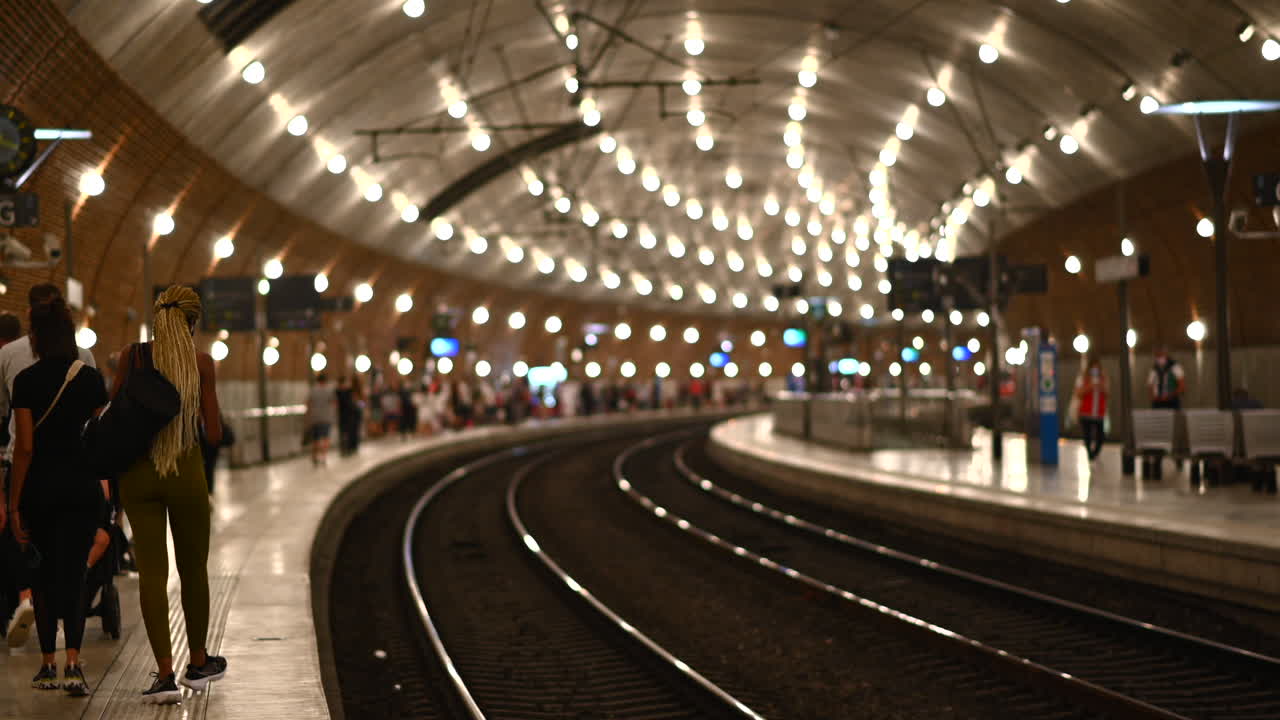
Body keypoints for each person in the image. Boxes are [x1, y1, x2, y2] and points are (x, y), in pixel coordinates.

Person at [114, 286, 226, 704]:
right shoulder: (201, 364)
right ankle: (197, 661)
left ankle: (164, 674)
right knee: (193, 568)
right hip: (185, 474)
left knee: (153, 575)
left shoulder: (132, 356)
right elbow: (213, 434)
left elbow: (115, 410)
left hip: (137, 476)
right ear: (193, 322)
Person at [7, 294, 108, 695]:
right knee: (75, 574)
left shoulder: (26, 382)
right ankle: (73, 663)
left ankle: (47, 664)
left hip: (41, 490)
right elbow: (98, 434)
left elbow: (25, 448)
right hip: (82, 488)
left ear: (35, 337)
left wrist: (14, 503)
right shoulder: (88, 378)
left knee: (43, 576)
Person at [1074, 357, 1108, 462]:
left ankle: (1095, 453)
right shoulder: (1083, 378)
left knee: (1101, 436)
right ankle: (1090, 455)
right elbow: (1078, 393)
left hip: (1099, 413)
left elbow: (1107, 393)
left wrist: (1101, 386)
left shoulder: (1103, 378)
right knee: (1087, 436)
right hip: (1086, 412)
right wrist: (1090, 386)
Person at [306, 373, 337, 465]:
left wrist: (308, 416)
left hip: (315, 417)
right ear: (326, 381)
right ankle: (323, 456)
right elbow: (334, 403)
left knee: (316, 438)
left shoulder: (313, 390)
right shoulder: (329, 390)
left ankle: (315, 456)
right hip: (326, 418)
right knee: (325, 437)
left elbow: (308, 403)